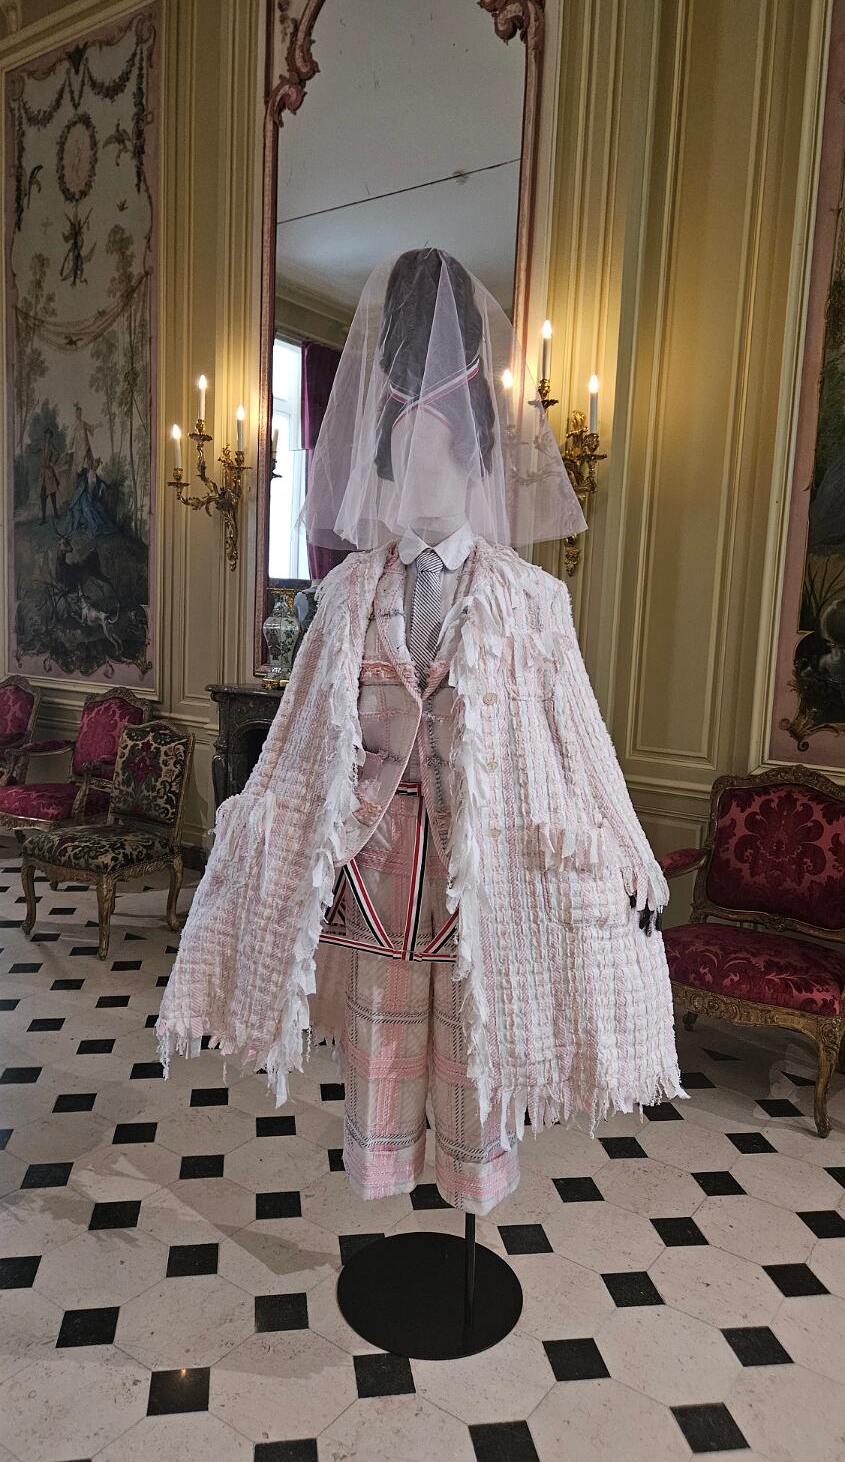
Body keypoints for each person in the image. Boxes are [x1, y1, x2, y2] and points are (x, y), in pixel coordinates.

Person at [157, 249, 683, 1215]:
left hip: (486, 870)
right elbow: (300, 731)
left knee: (477, 1039)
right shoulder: (347, 591)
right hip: (378, 864)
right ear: (384, 460)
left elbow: (578, 736)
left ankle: (473, 1186)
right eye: (408, 446)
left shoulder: (532, 598)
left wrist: (626, 845)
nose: (428, 466)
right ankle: (387, 1170)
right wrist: (254, 823)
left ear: (480, 456)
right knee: (384, 1036)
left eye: (449, 445)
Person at [37, 427, 61, 523]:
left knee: (53, 494)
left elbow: (57, 454)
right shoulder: (42, 444)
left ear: (51, 437)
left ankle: (56, 515)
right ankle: (43, 518)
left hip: (49, 473)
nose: (48, 437)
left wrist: (52, 463)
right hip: (43, 473)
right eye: (46, 435)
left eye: (49, 436)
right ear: (45, 436)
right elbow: (35, 449)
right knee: (42, 495)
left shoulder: (51, 445)